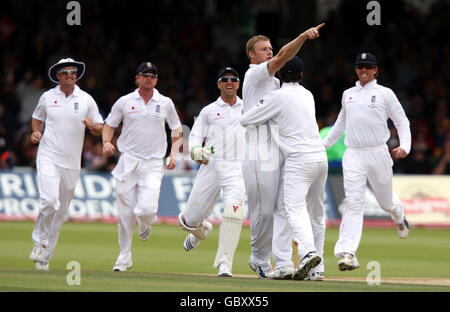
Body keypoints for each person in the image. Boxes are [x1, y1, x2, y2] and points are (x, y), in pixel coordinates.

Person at [241, 23, 324, 279]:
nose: (269, 52)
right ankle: (258, 257)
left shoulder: (277, 83)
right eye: (263, 49)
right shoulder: (255, 73)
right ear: (251, 56)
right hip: (258, 150)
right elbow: (282, 58)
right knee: (263, 210)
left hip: (280, 149)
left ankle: (284, 263)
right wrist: (303, 36)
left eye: (270, 48)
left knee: (282, 209)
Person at [323, 52, 411, 271]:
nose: (364, 70)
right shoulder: (348, 94)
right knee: (353, 202)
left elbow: (402, 121)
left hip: (378, 152)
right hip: (353, 154)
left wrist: (405, 146)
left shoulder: (385, 94)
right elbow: (340, 125)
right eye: (360, 67)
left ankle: (398, 213)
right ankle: (348, 253)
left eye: (368, 67)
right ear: (355, 70)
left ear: (375, 70)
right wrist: (322, 145)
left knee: (385, 203)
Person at [102, 61, 182, 272]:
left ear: (156, 79)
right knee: (125, 214)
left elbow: (176, 130)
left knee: (147, 209)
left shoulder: (165, 103)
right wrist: (106, 142)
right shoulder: (125, 101)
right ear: (137, 78)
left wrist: (173, 154)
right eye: (145, 74)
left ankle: (145, 223)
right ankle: (124, 256)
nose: (149, 78)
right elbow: (109, 125)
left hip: (153, 163)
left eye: (153, 75)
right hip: (128, 161)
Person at [29, 58, 104, 271]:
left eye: (73, 72)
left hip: (72, 162)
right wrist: (36, 131)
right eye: (65, 72)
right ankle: (39, 241)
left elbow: (99, 126)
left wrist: (93, 127)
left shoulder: (86, 99)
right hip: (48, 156)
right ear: (58, 76)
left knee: (60, 212)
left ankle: (45, 257)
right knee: (49, 201)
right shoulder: (47, 97)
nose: (70, 75)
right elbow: (37, 118)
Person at [178, 67, 246, 277]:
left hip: (237, 168)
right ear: (218, 84)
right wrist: (197, 150)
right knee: (189, 220)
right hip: (212, 166)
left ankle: (224, 263)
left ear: (238, 83)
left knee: (233, 214)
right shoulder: (208, 111)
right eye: (224, 79)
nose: (229, 82)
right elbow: (195, 137)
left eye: (233, 79)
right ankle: (201, 229)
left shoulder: (249, 107)